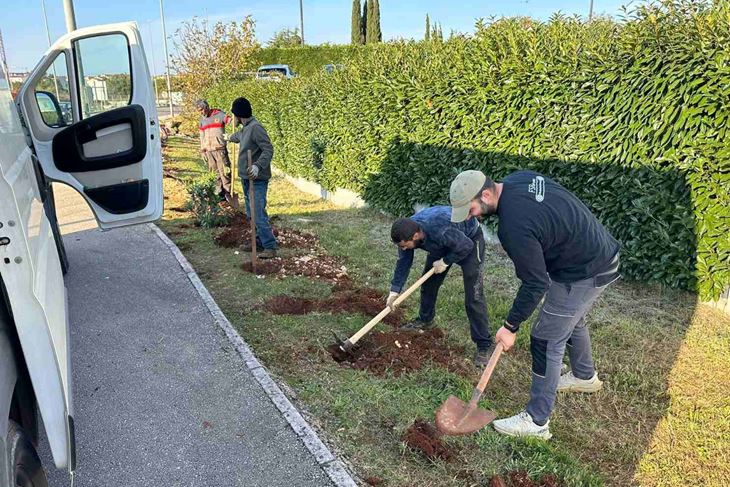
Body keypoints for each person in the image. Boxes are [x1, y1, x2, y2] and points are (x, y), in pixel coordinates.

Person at [449, 169, 621, 439]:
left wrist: (510, 326)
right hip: (598, 254)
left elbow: (536, 283)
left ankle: (537, 421)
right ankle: (584, 376)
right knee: (570, 318)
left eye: (470, 209)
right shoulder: (519, 179)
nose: (472, 216)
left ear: (485, 194)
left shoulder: (513, 226)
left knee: (545, 339)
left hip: (585, 269)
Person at [388, 206, 494, 367]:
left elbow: (466, 246)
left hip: (469, 239)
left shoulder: (439, 229)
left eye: (404, 245)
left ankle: (484, 345)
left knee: (474, 294)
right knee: (429, 284)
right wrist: (394, 291)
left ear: (416, 235)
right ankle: (425, 320)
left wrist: (445, 261)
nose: (403, 248)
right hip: (440, 244)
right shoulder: (407, 231)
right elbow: (403, 262)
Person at [226, 97, 277, 259]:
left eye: (234, 115)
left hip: (257, 179)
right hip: (246, 179)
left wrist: (257, 166)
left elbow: (268, 149)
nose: (233, 118)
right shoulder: (246, 128)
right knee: (250, 212)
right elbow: (238, 136)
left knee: (257, 212)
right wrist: (227, 137)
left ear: (239, 115)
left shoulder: (256, 128)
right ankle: (258, 241)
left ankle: (270, 246)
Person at [195, 99, 234, 206]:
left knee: (224, 173)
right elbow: (202, 136)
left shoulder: (219, 115)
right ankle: (219, 196)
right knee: (214, 174)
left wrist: (235, 117)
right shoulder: (202, 120)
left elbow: (231, 121)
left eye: (202, 110)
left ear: (207, 107)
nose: (201, 112)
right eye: (199, 111)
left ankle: (228, 195)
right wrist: (203, 150)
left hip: (220, 150)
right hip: (209, 151)